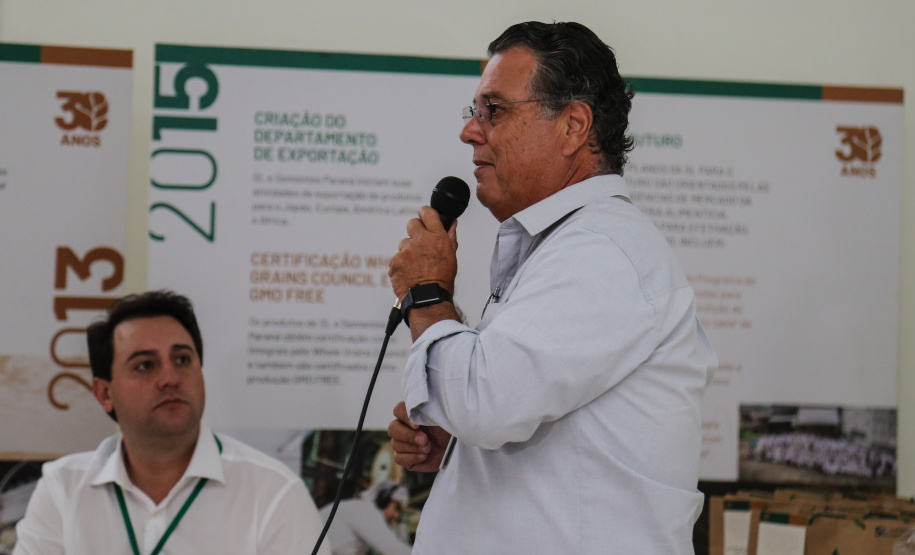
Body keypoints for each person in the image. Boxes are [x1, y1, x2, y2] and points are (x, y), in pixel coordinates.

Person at [386, 21, 718, 554]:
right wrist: (459, 445)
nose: (470, 131)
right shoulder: (569, 245)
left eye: (494, 110)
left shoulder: (601, 251)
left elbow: (484, 404)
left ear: (573, 126)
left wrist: (426, 293)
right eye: (474, 111)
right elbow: (520, 415)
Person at [13, 290, 330, 555]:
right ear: (105, 394)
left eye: (182, 359)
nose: (170, 378)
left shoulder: (273, 492)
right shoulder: (63, 490)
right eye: (145, 365)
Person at [318, 481, 411, 555]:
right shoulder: (367, 512)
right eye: (397, 508)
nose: (397, 516)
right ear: (383, 499)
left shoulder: (359, 508)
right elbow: (394, 549)